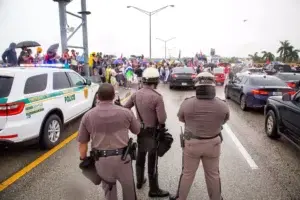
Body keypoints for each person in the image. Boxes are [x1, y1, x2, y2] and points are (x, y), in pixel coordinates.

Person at [169, 72, 230, 200]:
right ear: (212, 87)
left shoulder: (187, 103)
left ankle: (180, 198)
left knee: (187, 174)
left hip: (192, 143)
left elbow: (181, 118)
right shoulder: (222, 105)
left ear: (197, 86)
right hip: (213, 144)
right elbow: (224, 120)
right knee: (213, 174)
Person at [77, 83, 140, 200]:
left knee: (109, 193)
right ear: (114, 97)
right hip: (123, 160)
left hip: (102, 161)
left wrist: (83, 159)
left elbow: (82, 143)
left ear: (97, 97)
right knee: (129, 191)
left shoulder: (88, 116)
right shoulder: (126, 112)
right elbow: (137, 130)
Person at [123, 67, 169, 198]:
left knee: (141, 155)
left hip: (140, 130)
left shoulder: (136, 94)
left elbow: (125, 108)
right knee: (152, 160)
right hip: (152, 132)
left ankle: (139, 181)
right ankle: (153, 189)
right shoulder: (157, 97)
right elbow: (162, 119)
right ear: (155, 81)